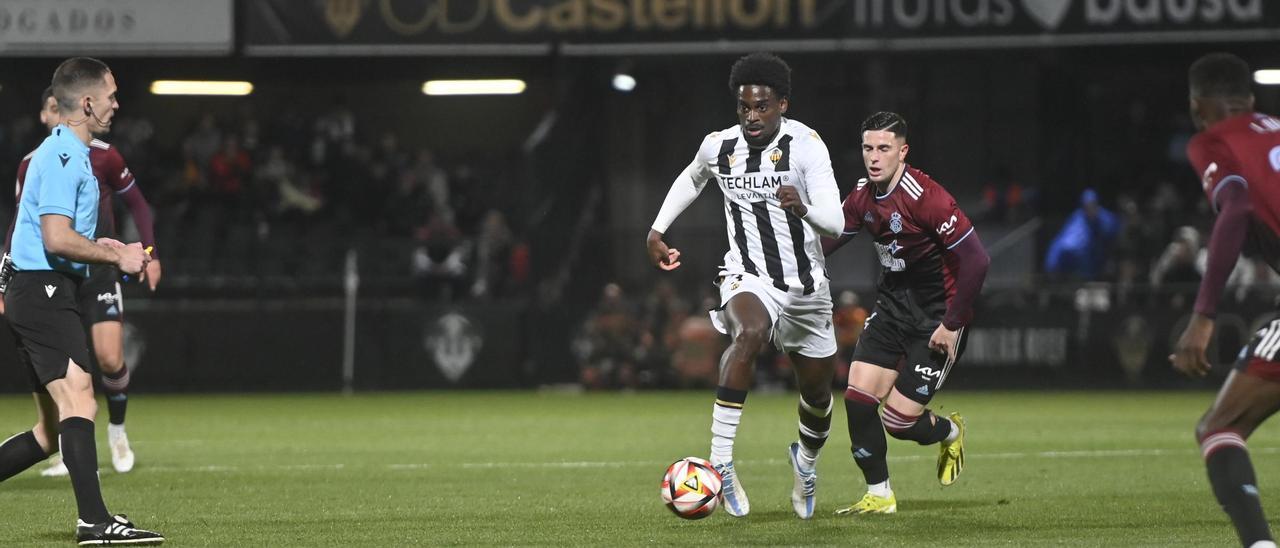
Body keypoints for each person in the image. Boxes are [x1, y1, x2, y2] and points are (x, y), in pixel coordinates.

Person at [645, 52, 843, 519]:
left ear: (782, 105)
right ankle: (720, 464)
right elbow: (692, 179)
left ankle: (806, 463)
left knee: (817, 398)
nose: (752, 116)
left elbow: (833, 223)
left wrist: (803, 209)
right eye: (745, 107)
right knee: (748, 333)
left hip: (807, 288)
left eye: (762, 106)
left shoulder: (808, 147)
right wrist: (656, 231)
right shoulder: (719, 146)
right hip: (747, 275)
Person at [0, 57, 163, 544]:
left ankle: (95, 520)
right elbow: (56, 238)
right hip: (43, 289)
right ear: (87, 103)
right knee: (81, 398)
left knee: (51, 432)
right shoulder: (62, 158)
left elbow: (70, 235)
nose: (116, 102)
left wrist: (120, 250)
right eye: (111, 94)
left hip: (42, 288)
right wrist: (115, 258)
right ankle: (94, 522)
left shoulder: (66, 154)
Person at [823, 111, 990, 515]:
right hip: (892, 311)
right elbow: (827, 241)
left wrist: (952, 324)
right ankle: (879, 495)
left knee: (899, 423)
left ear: (902, 152)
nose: (874, 157)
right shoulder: (862, 196)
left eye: (884, 148)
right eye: (868, 148)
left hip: (937, 320)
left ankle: (949, 430)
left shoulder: (926, 197)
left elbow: (977, 261)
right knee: (858, 398)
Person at [1171, 52, 1280, 548]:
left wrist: (1203, 315)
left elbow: (1235, 205)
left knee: (1220, 427)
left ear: (1198, 107)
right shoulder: (1275, 130)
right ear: (1251, 100)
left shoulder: (1213, 140)